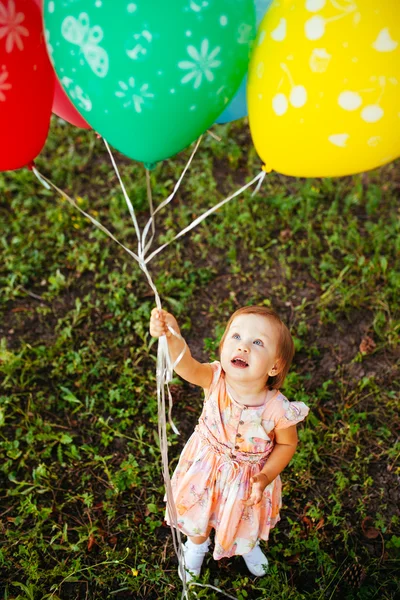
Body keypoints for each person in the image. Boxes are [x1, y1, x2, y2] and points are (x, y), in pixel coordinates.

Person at [149, 305, 309, 581]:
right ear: (223, 347)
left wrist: (265, 476)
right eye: (235, 337)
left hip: (249, 480)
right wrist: (171, 334)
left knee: (245, 518)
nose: (243, 346)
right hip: (205, 469)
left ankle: (248, 545)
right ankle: (197, 547)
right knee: (199, 514)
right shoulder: (213, 379)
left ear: (274, 366)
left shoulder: (278, 410)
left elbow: (287, 445)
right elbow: (184, 364)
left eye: (257, 342)